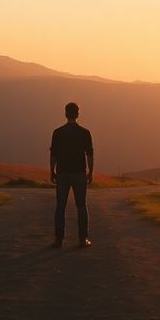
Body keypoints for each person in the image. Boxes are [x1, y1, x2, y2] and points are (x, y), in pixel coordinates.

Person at [49, 101, 94, 248]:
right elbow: (89, 155)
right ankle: (83, 239)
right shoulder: (85, 133)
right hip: (79, 173)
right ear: (78, 114)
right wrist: (90, 172)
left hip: (62, 173)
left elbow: (54, 155)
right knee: (81, 205)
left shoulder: (57, 132)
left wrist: (52, 171)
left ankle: (59, 239)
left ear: (65, 114)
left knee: (60, 206)